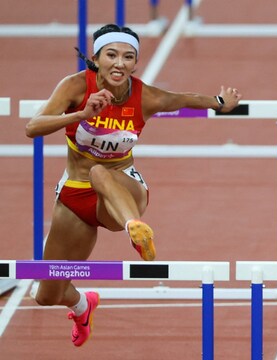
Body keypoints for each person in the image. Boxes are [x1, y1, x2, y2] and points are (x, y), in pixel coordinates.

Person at [25, 24, 242, 347]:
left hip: (124, 193)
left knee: (100, 172)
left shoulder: (146, 96)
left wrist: (219, 101)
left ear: (135, 63)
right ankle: (84, 306)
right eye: (112, 55)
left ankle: (136, 229)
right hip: (75, 196)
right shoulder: (74, 87)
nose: (120, 63)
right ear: (96, 59)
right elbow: (33, 127)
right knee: (47, 293)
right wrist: (81, 113)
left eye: (128, 57)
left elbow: (182, 98)